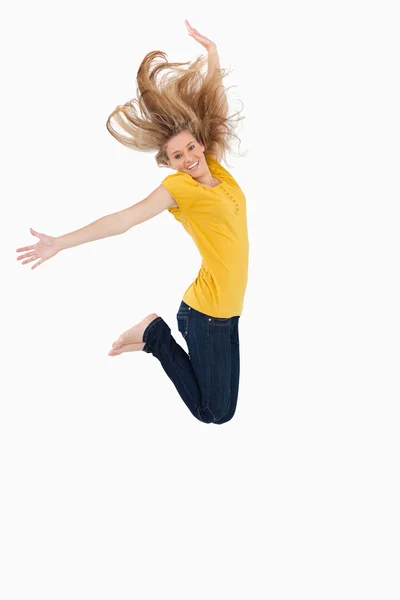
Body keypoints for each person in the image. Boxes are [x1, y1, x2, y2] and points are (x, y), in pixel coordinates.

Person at [15, 20, 249, 425]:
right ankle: (155, 335)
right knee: (214, 412)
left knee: (223, 411)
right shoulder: (180, 187)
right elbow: (124, 220)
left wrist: (212, 56)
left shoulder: (216, 171)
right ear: (169, 162)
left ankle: (155, 336)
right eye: (178, 155)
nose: (189, 157)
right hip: (204, 312)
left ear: (201, 144)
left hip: (228, 312)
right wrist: (60, 243)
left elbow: (215, 110)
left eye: (191, 147)